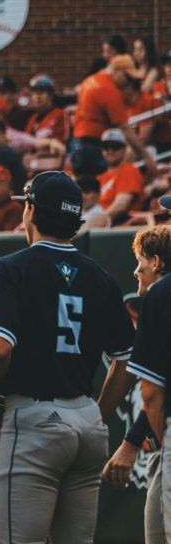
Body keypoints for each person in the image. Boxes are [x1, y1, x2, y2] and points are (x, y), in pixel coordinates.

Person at [0, 171, 135, 544]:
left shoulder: (10, 267)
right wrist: (95, 412)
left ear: (30, 210)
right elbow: (126, 363)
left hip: (33, 419)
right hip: (86, 424)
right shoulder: (102, 277)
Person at [103, 225, 171, 544]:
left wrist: (134, 444)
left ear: (156, 261)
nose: (136, 270)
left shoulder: (161, 295)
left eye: (141, 261)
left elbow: (153, 392)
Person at [72, 54, 143, 177]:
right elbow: (124, 127)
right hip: (94, 147)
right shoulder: (110, 90)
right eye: (128, 77)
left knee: (83, 187)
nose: (128, 83)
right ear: (118, 71)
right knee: (97, 189)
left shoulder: (90, 80)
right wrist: (145, 156)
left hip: (77, 144)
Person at [98, 128, 144, 222]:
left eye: (115, 147)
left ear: (124, 149)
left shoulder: (129, 170)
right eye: (106, 147)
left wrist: (97, 221)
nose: (110, 151)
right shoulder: (100, 177)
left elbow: (121, 206)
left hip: (117, 224)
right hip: (97, 223)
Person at [24, 74, 66, 140]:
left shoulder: (60, 115)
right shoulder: (33, 118)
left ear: (51, 95)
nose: (37, 97)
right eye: (34, 93)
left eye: (41, 92)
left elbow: (61, 142)